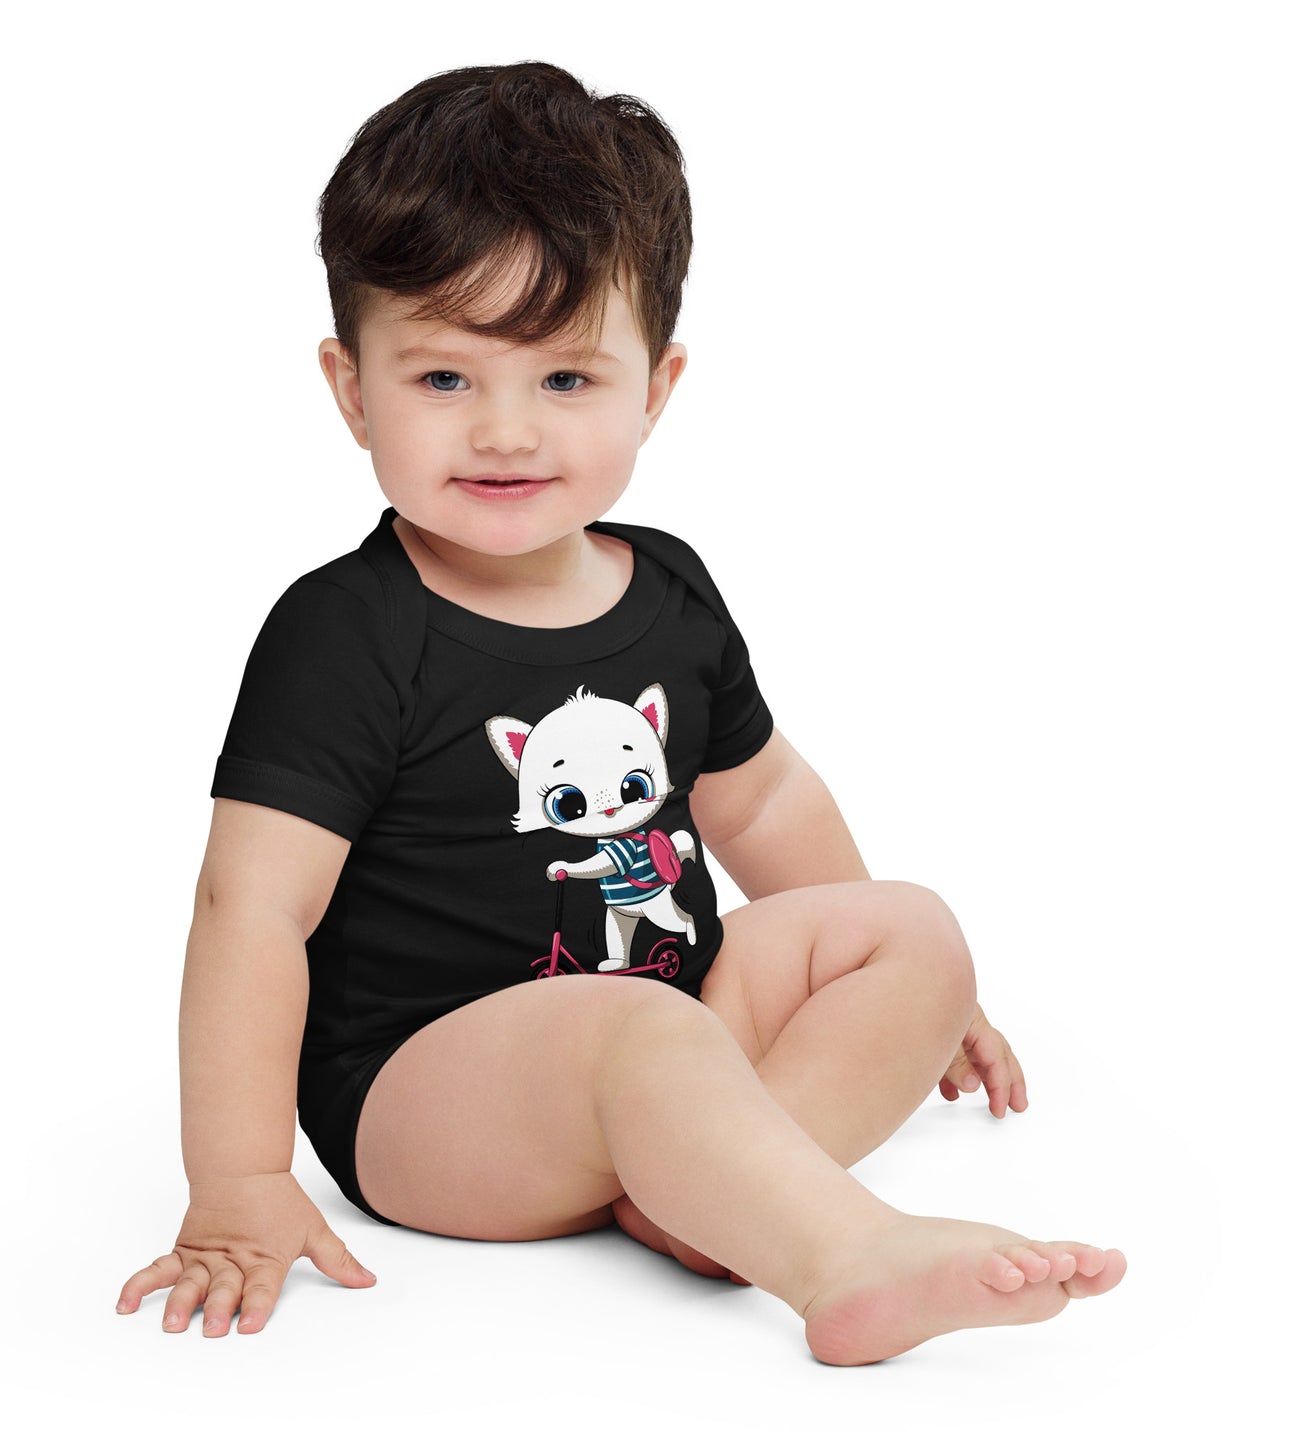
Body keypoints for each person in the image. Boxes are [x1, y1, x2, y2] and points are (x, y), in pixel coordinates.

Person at [115, 61, 1125, 1366]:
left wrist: (925, 1003)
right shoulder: (346, 632)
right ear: (352, 387)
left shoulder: (672, 590)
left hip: (664, 1023)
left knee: (912, 929)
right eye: (443, 378)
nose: (504, 431)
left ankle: (709, 1200)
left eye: (565, 380)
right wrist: (241, 1178)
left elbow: (763, 800)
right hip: (431, 1100)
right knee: (633, 1023)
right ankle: (842, 1257)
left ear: (656, 388)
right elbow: (249, 909)